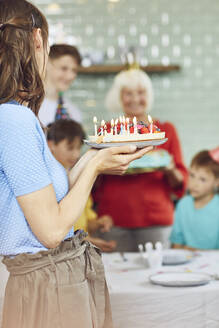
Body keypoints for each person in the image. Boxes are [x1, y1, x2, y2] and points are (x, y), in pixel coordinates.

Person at [0, 1, 153, 327]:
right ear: (37, 40)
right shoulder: (14, 118)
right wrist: (97, 165)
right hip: (47, 284)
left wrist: (93, 157)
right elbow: (52, 231)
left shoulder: (12, 114)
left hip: (49, 281)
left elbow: (50, 198)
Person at [93, 68, 188, 251]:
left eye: (141, 93)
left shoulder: (166, 130)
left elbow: (180, 182)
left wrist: (169, 169)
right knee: (116, 276)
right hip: (112, 220)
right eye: (128, 93)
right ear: (118, 97)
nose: (135, 99)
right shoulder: (106, 132)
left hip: (157, 220)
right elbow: (94, 179)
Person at [47, 119, 116, 252]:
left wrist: (99, 223)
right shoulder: (48, 182)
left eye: (79, 148)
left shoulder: (81, 177)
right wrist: (86, 241)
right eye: (70, 147)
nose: (76, 154)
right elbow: (52, 230)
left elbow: (87, 223)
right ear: (51, 145)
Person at [170, 149, 219, 250]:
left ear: (216, 182)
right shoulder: (183, 205)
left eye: (202, 179)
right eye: (192, 175)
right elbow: (177, 244)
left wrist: (197, 252)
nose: (194, 183)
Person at [38, 43, 82, 126]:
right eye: (64, 68)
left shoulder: (74, 113)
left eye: (74, 70)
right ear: (47, 64)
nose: (70, 76)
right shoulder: (30, 108)